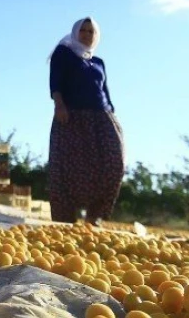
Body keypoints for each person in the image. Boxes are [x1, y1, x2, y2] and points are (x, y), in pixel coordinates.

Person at [47, 17, 126, 225]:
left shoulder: (98, 62)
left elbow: (105, 92)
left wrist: (113, 115)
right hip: (72, 116)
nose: (87, 35)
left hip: (102, 118)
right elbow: (56, 80)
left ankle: (94, 217)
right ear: (75, 32)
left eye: (91, 32)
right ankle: (66, 221)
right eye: (83, 30)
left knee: (113, 162)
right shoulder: (64, 52)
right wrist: (59, 104)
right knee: (67, 168)